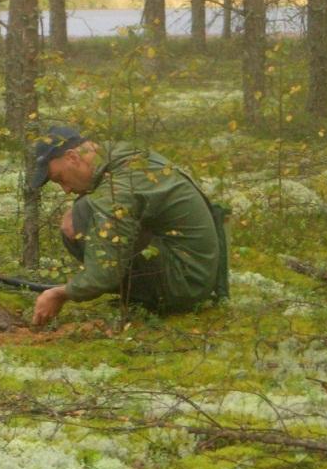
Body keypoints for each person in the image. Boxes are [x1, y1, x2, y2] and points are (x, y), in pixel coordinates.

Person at [30, 126, 225, 327]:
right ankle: (143, 295)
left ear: (72, 157)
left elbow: (103, 275)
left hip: (185, 282)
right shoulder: (123, 156)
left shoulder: (120, 186)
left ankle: (155, 299)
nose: (66, 189)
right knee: (82, 211)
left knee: (81, 214)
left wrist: (61, 294)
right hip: (195, 272)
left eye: (60, 178)